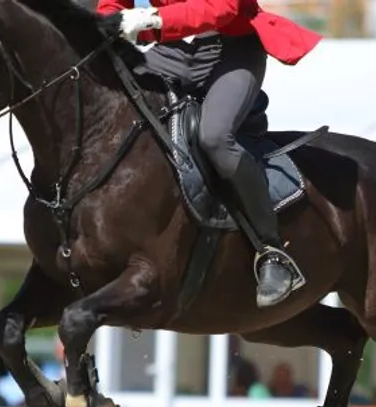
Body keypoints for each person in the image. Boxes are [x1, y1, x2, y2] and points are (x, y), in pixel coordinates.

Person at [96, 0, 322, 309]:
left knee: (215, 137)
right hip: (172, 51)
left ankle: (272, 251)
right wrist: (110, 21)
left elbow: (223, 7)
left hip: (231, 49)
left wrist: (150, 18)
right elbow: (113, 5)